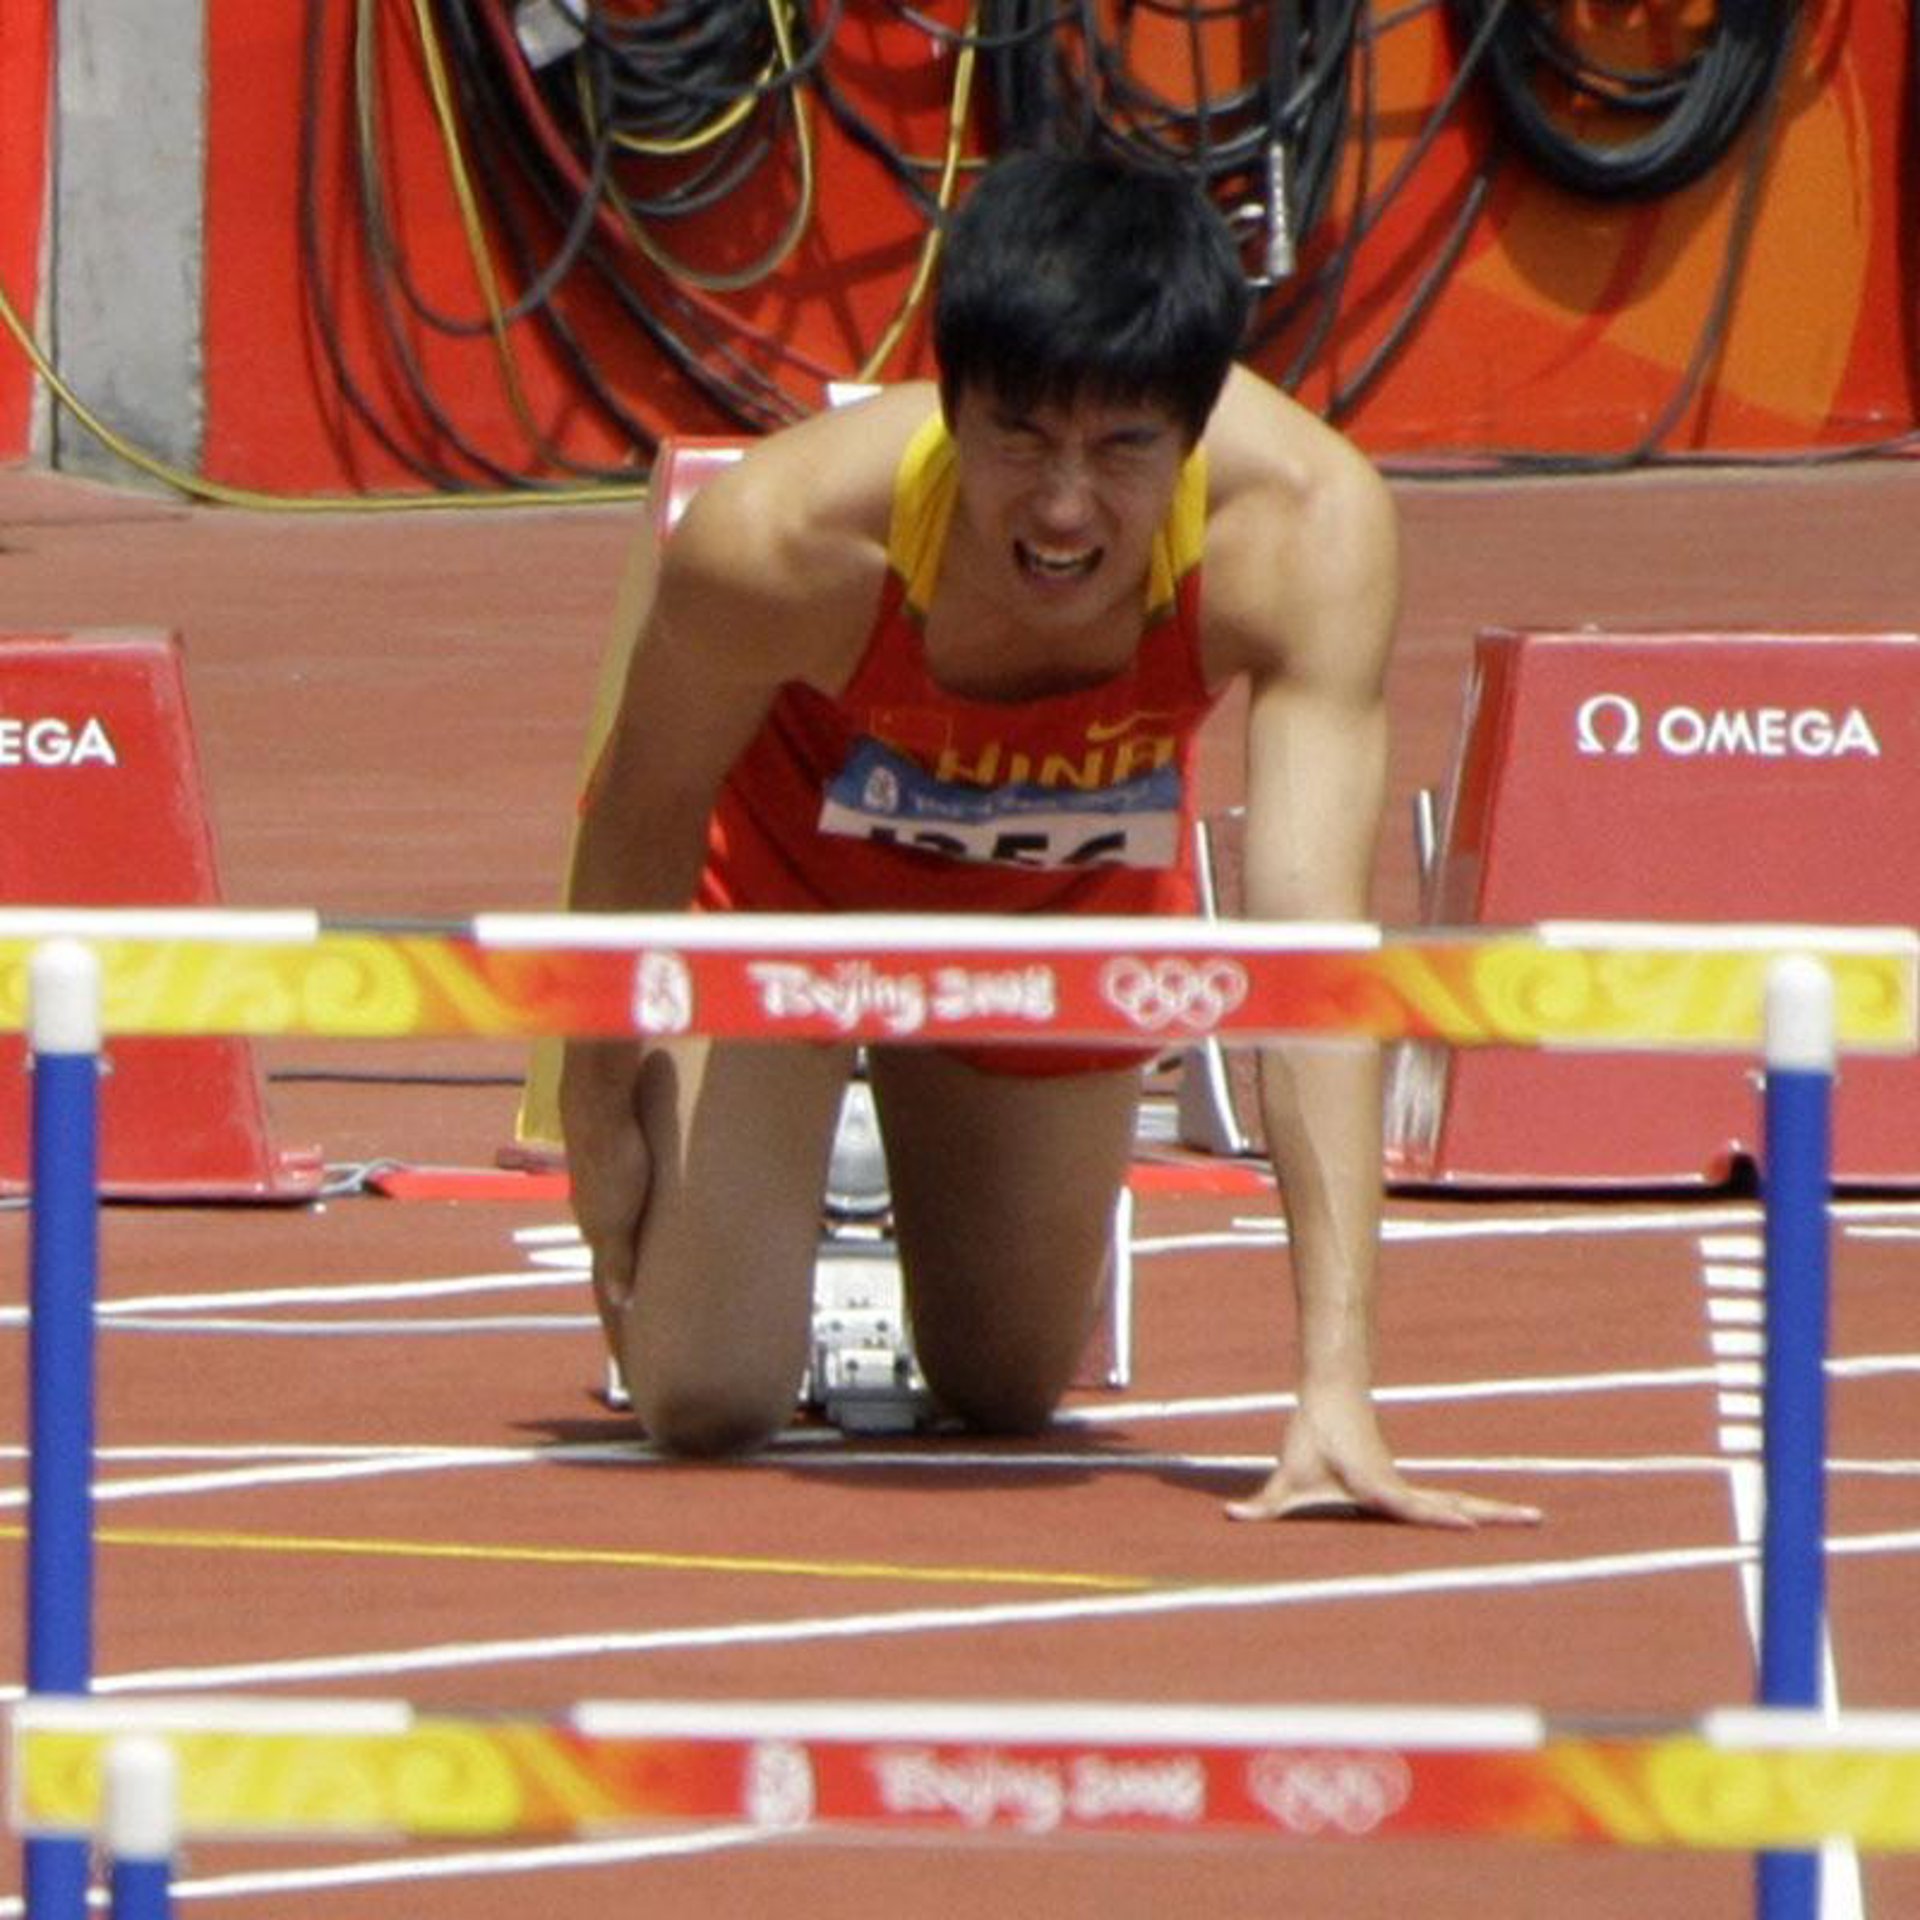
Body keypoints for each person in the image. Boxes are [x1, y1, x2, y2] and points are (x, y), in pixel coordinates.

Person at [561, 147, 1541, 1530]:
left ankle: (911, 1137)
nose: (1067, 509)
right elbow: (645, 805)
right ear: (948, 401)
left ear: (1197, 425)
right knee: (705, 1397)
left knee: (1009, 1387)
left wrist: (1337, 1390)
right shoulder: (781, 537)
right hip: (788, 899)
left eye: (1124, 448)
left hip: (1063, 906)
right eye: (1019, 439)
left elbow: (1312, 962)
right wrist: (597, 1109)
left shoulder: (1308, 531)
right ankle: (774, 1131)